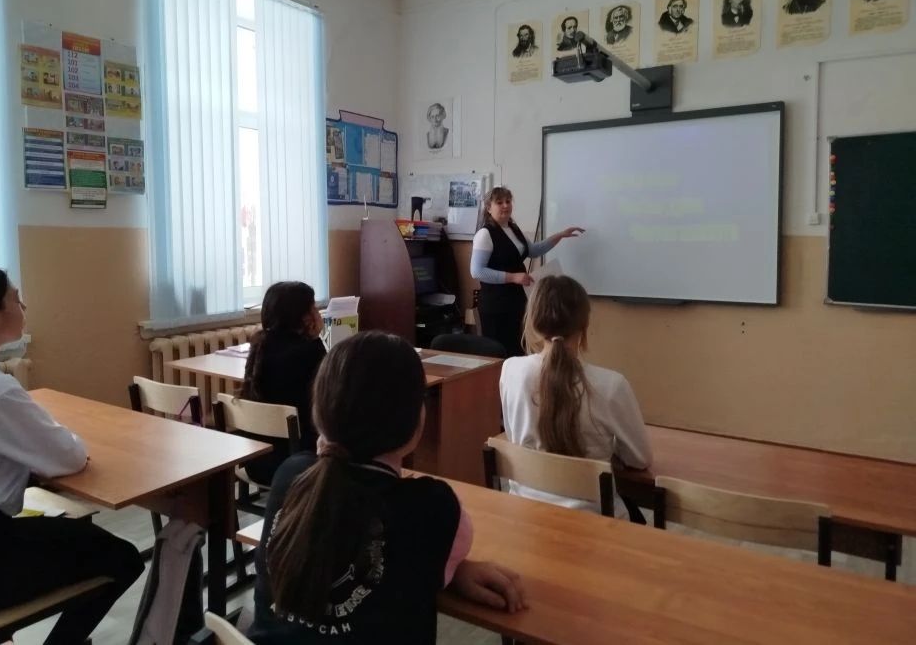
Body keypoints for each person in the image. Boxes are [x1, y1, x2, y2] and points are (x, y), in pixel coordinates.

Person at [248, 332, 526, 644]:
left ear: (318, 411)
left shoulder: (290, 475)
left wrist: (454, 570)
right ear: (417, 424)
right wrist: (453, 569)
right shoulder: (434, 506)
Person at [0, 266, 143, 645]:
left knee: (79, 536)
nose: (24, 307)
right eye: (16, 299)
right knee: (124, 558)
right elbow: (71, 457)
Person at [499, 275, 652, 517]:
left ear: (533, 321)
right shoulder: (611, 385)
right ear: (584, 325)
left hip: (527, 517)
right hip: (593, 524)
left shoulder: (510, 370)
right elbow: (639, 459)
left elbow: (514, 436)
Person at [469, 187, 584, 357]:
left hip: (517, 301)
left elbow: (534, 251)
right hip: (496, 306)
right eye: (499, 202)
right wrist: (513, 277)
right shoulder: (485, 234)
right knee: (501, 354)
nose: (505, 205)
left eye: (508, 201)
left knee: (518, 351)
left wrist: (560, 235)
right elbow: (477, 271)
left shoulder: (513, 228)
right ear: (488, 208)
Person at [241, 281, 326, 481]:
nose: (318, 313)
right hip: (297, 465)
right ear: (304, 317)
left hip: (256, 461)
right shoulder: (310, 350)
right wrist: (316, 337)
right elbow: (327, 402)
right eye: (313, 308)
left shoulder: (260, 345)